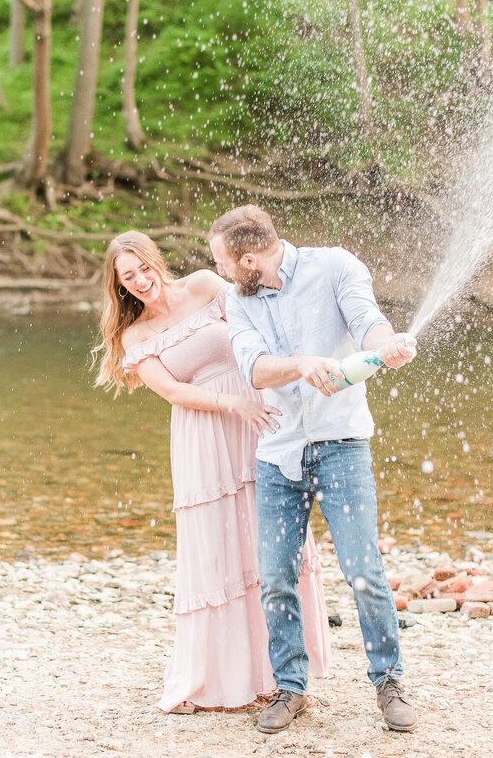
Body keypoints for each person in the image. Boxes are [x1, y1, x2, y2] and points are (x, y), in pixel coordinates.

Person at [92, 230, 332, 714]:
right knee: (219, 548)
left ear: (155, 261)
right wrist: (231, 404)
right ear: (118, 285)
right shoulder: (135, 334)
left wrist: (284, 375)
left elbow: (258, 323)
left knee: (273, 535)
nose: (140, 281)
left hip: (260, 416)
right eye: (128, 277)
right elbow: (175, 393)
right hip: (205, 434)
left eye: (143, 268)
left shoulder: (204, 285)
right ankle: (222, 677)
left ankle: (281, 673)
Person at [206, 205, 420, 735]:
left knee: (364, 572)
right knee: (276, 577)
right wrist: (303, 364)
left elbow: (368, 323)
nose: (224, 274)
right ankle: (291, 687)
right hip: (278, 452)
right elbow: (254, 369)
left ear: (249, 258)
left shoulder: (336, 266)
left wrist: (386, 347)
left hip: (342, 444)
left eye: (225, 263)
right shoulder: (238, 301)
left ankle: (388, 681)